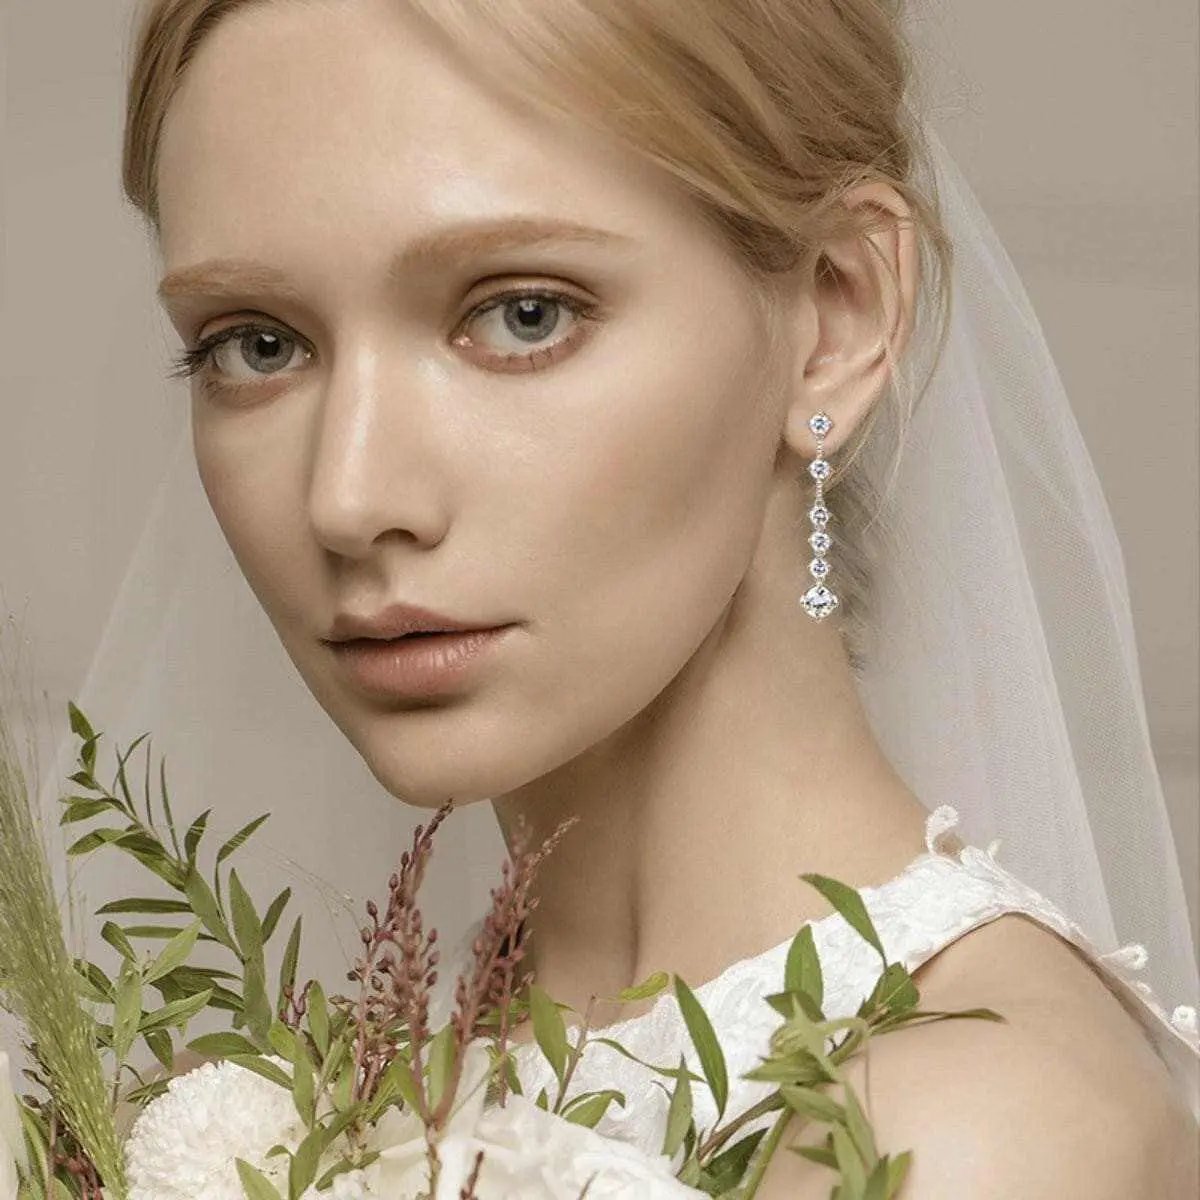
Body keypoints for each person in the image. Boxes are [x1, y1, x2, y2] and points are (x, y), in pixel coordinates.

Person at [82, 0, 1198, 1193]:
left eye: (522, 314)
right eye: (255, 344)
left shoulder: (975, 1137)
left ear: (836, 315)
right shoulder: (319, 1103)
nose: (347, 498)